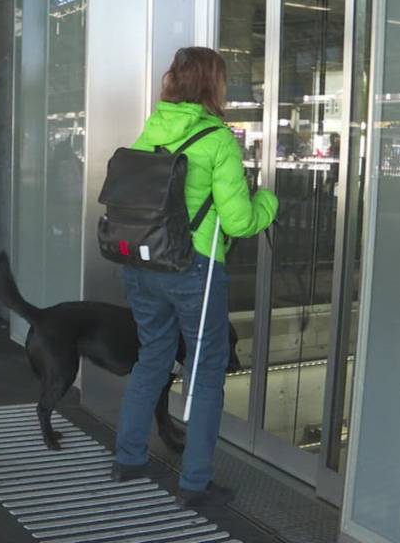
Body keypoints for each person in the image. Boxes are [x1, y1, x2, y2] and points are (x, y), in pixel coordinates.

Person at [111, 47, 278, 509]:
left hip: (142, 264)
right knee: (205, 375)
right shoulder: (218, 139)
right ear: (214, 85)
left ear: (173, 81)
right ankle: (195, 484)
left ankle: (128, 460)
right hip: (194, 270)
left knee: (152, 359)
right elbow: (241, 221)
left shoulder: (152, 128)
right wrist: (270, 202)